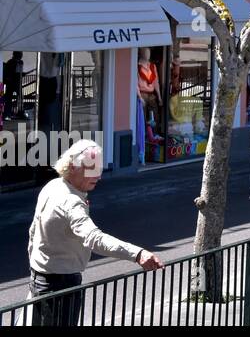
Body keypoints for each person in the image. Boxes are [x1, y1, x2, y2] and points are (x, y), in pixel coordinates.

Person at [28, 139, 163, 325]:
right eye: (91, 168)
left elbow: (33, 232)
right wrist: (137, 254)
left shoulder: (53, 186)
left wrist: (36, 267)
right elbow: (94, 238)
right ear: (73, 166)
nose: (98, 176)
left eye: (99, 169)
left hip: (41, 277)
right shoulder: (71, 201)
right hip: (58, 285)